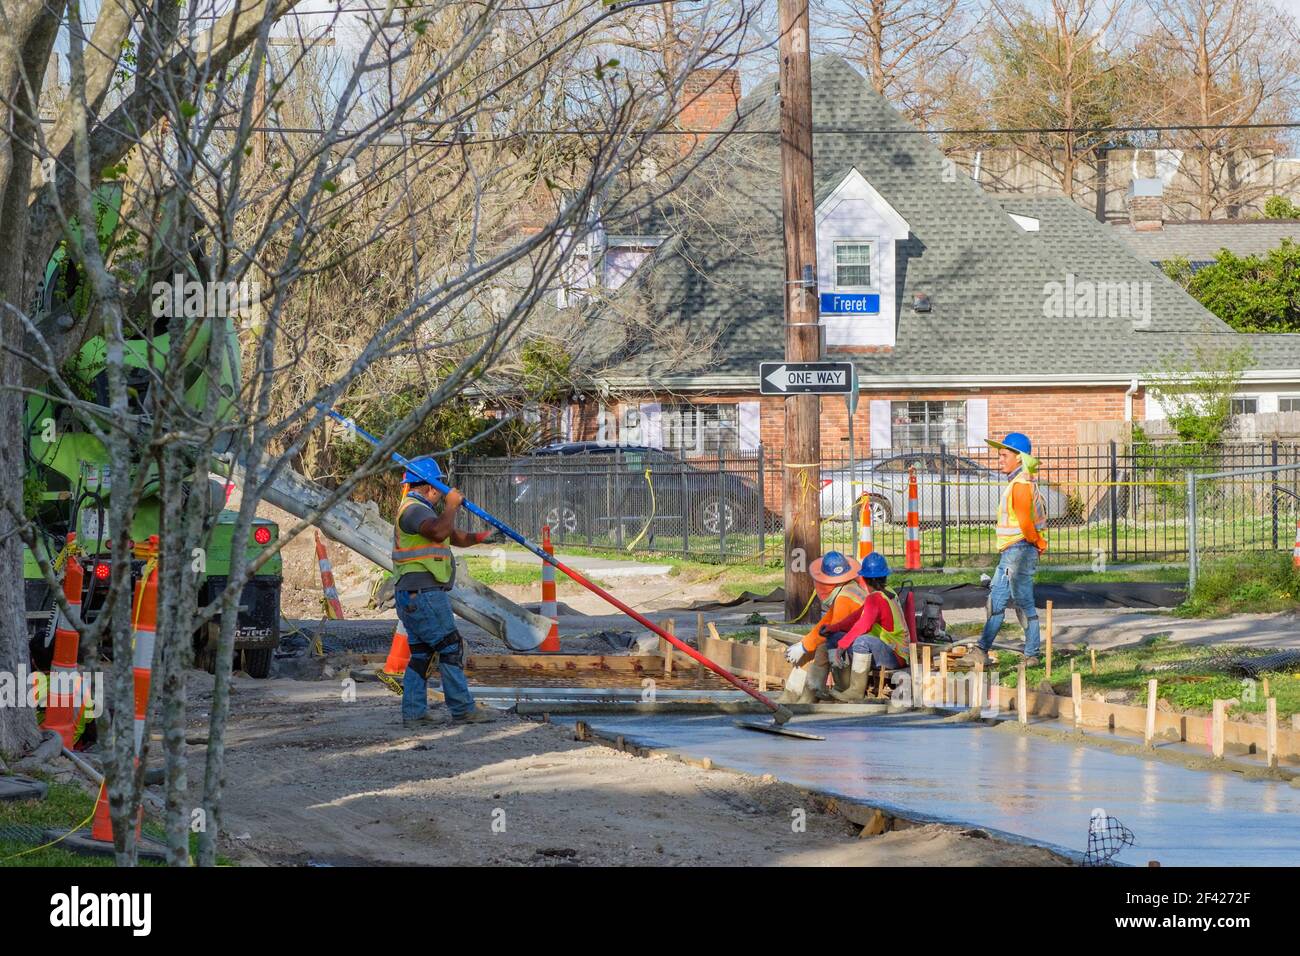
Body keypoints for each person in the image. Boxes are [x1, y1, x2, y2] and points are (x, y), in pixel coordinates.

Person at [392, 455, 496, 726]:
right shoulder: (415, 510)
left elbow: (452, 536)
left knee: (422, 655)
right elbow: (439, 532)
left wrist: (481, 537)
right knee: (451, 647)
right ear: (432, 488)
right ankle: (463, 709)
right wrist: (451, 507)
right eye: (440, 489)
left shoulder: (419, 509)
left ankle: (413, 714)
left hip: (413, 595)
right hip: (423, 594)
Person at [968, 432, 1047, 667]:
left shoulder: (1021, 485)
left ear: (1019, 458)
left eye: (1004, 455)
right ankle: (982, 649)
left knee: (1023, 603)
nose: (999, 460)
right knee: (996, 602)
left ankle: (1032, 654)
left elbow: (1025, 523)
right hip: (1012, 553)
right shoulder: (1018, 483)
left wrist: (1039, 542)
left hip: (1019, 552)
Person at [778, 551, 868, 704]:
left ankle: (828, 689)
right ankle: (794, 694)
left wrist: (805, 647)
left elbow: (832, 629)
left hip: (862, 646)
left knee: (826, 646)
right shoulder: (849, 589)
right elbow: (825, 623)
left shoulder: (844, 598)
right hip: (860, 640)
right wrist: (804, 645)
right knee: (815, 647)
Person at [817, 552, 909, 701]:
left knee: (862, 641)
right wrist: (834, 628)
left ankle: (856, 691)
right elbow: (856, 617)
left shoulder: (876, 598)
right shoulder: (886, 593)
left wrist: (842, 645)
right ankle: (842, 687)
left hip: (895, 655)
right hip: (890, 650)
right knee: (834, 637)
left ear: (864, 579)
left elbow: (862, 625)